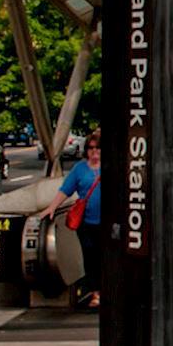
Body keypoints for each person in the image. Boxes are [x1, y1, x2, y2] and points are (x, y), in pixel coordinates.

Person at [45, 132, 104, 308]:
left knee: (105, 257)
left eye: (97, 148)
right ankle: (96, 293)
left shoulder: (111, 165)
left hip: (107, 222)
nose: (94, 152)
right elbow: (66, 190)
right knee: (90, 257)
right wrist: (52, 207)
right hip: (86, 222)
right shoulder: (80, 169)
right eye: (90, 148)